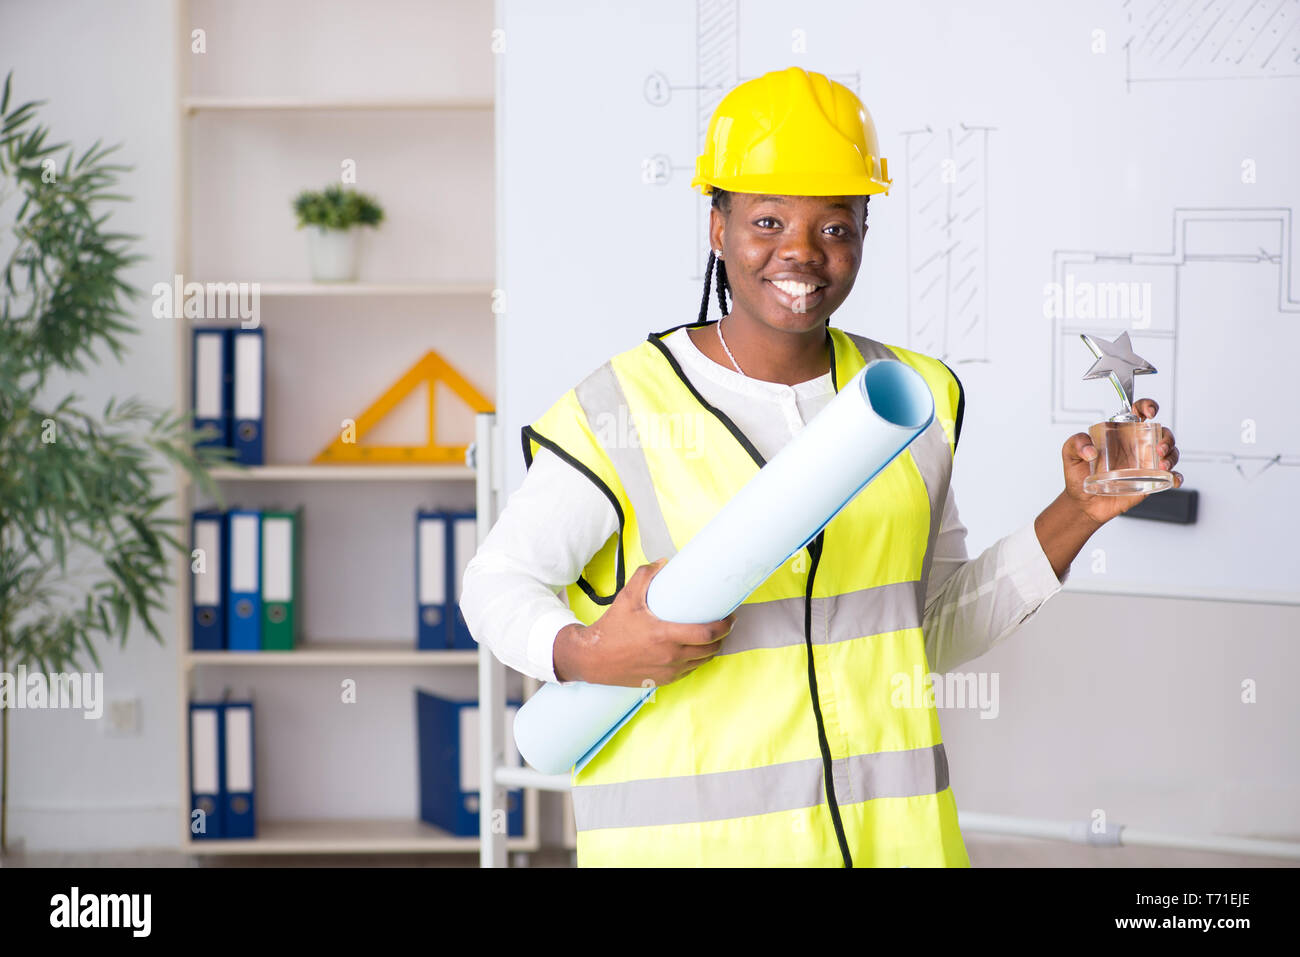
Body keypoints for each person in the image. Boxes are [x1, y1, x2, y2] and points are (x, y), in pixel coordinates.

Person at [462, 66, 1182, 867]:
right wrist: (585, 652)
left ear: (865, 233)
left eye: (834, 227)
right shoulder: (623, 407)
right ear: (717, 227)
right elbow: (495, 584)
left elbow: (927, 629)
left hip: (894, 850)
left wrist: (1076, 510)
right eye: (767, 220)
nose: (799, 254)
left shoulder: (913, 397)